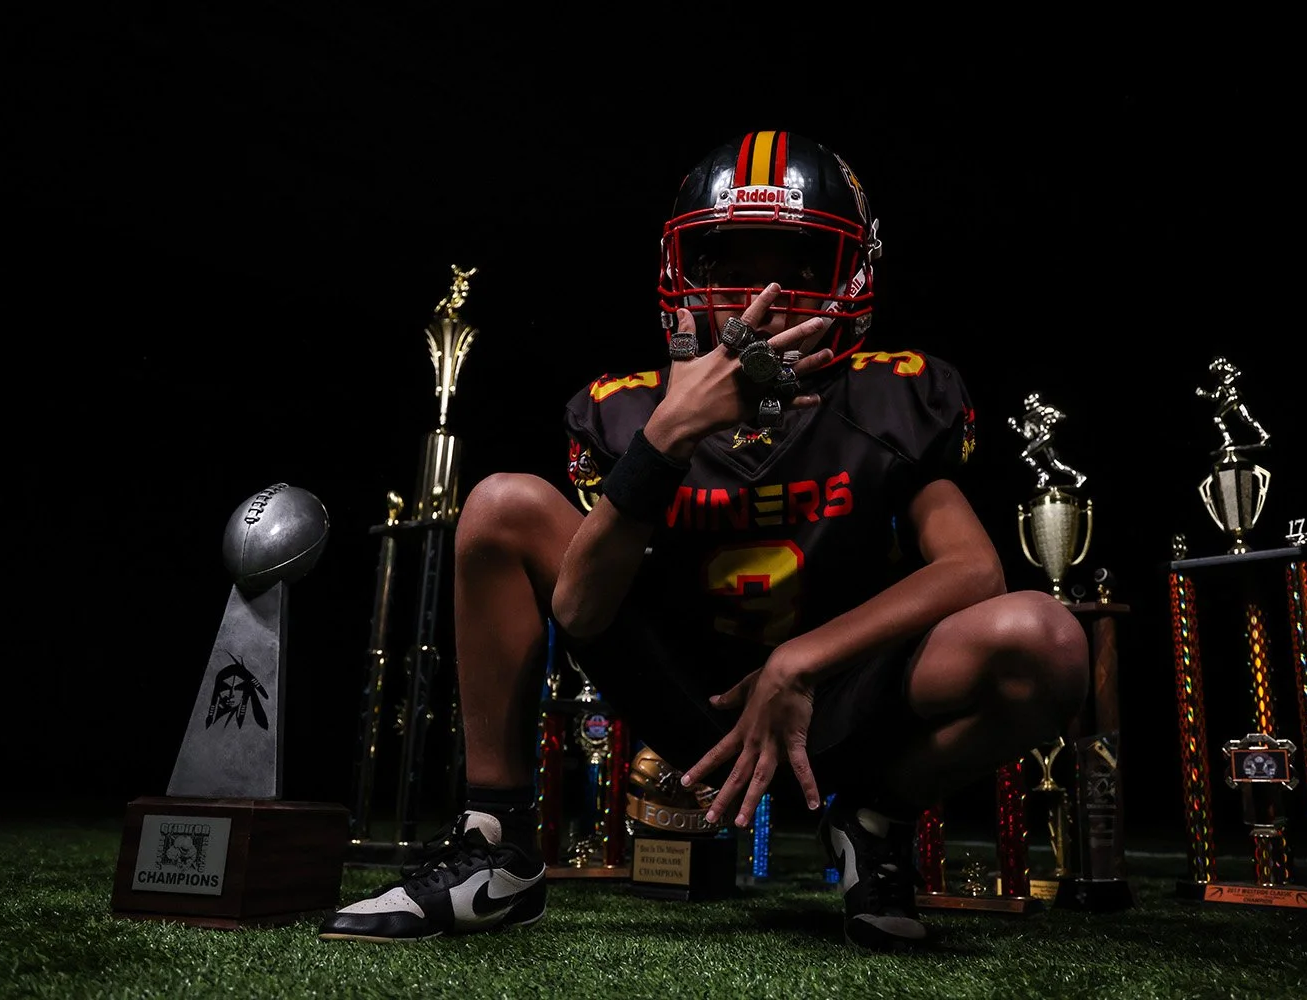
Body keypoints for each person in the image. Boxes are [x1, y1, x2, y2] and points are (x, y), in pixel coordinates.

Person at [318, 130, 1090, 951]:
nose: (762, 297)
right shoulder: (627, 409)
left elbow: (973, 570)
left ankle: (874, 819)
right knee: (502, 505)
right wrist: (668, 436)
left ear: (851, 277)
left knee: (1045, 640)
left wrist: (799, 662)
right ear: (685, 273)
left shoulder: (889, 398)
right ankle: (496, 843)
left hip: (845, 703)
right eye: (731, 266)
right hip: (691, 706)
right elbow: (579, 610)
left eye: (795, 266)